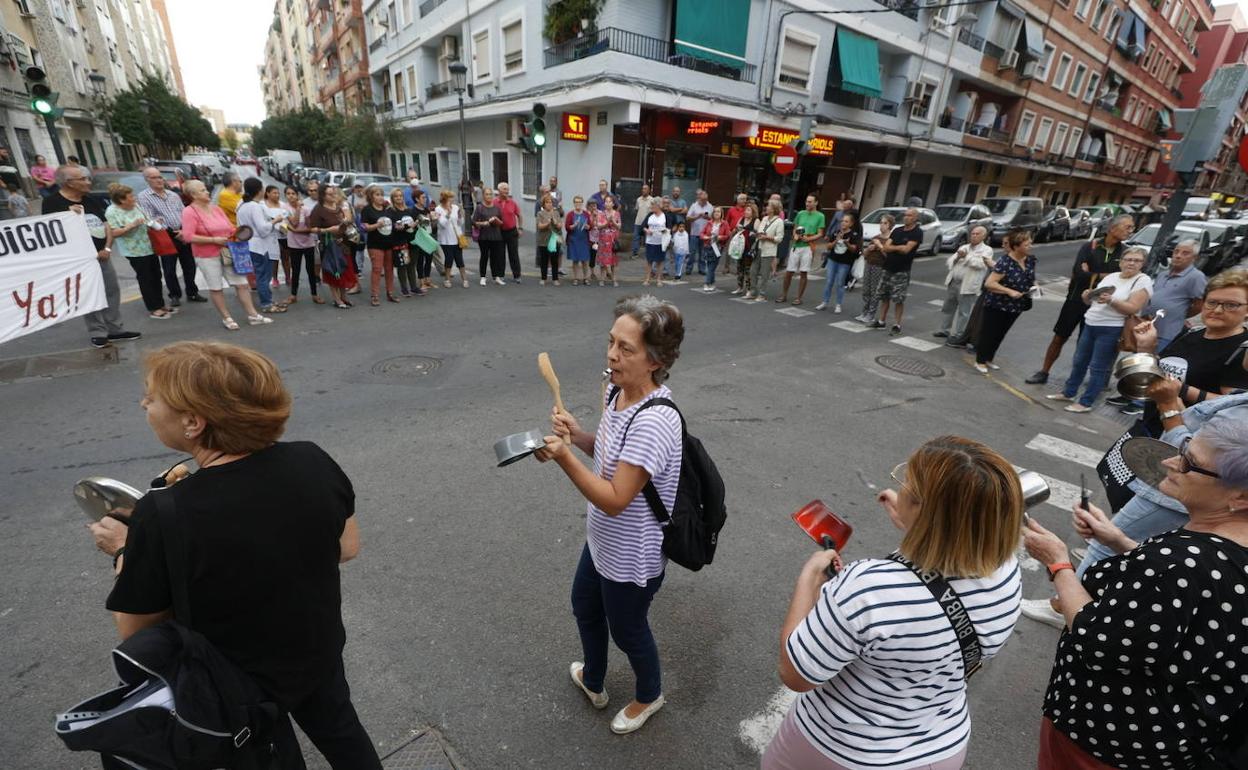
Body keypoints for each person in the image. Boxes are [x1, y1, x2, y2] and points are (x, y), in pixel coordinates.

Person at [88, 341, 383, 770]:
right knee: (343, 734)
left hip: (235, 685)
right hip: (314, 651)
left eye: (151, 397)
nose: (144, 404)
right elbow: (346, 547)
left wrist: (123, 550)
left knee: (270, 756)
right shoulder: (312, 460)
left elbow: (136, 630)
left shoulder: (166, 511)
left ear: (192, 422)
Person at [763, 436, 1023, 770]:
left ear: (926, 513)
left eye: (907, 487)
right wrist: (915, 525)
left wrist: (809, 579)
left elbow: (796, 673)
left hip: (845, 751)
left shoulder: (869, 588)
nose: (899, 490)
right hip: (942, 747)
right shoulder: (1005, 569)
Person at [1021, 416, 1248, 770]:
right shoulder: (1215, 554)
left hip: (1109, 743)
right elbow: (1185, 597)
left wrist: (1058, 564)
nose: (1171, 462)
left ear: (1241, 497)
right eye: (1183, 450)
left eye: (1191, 464)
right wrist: (1120, 542)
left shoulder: (1179, 562)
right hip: (1178, 743)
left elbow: (1096, 640)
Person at [532, 294, 686, 736]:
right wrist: (579, 436)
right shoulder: (617, 390)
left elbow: (618, 497)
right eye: (611, 341)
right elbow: (611, 452)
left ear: (656, 360)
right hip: (601, 543)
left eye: (626, 348)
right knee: (584, 607)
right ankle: (594, 680)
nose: (612, 354)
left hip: (632, 557)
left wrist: (564, 458)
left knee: (629, 630)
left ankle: (649, 694)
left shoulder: (656, 421)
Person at [1025, 214, 1133, 384]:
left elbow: (1122, 279)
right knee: (1059, 337)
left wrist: (1093, 274)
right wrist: (1106, 276)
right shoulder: (1090, 246)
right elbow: (1079, 273)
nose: (1130, 231)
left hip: (1100, 306)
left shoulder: (1125, 252)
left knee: (1085, 345)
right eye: (1127, 227)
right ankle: (1044, 372)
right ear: (1113, 228)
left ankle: (1074, 379)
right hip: (1075, 300)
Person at [42, 164, 141, 348]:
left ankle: (115, 330)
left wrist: (107, 249)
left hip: (102, 255)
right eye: (83, 179)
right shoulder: (52, 202)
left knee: (111, 291)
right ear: (68, 183)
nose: (88, 182)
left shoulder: (90, 200)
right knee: (90, 294)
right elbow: (51, 233)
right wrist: (68, 216)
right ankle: (98, 332)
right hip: (79, 260)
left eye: (87, 178)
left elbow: (106, 226)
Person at [1046, 246, 1152, 412]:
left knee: (1098, 367)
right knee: (1079, 361)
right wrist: (1087, 296)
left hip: (1112, 328)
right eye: (1128, 259)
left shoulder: (1143, 280)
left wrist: (1111, 301)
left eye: (1137, 260)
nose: (1131, 263)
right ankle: (1069, 392)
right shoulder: (1112, 277)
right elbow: (1092, 302)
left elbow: (1133, 308)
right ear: (1121, 261)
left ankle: (1086, 402)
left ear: (1143, 264)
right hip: (1091, 322)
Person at [181, 180, 271, 329]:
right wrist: (213, 240)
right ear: (193, 195)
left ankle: (253, 315)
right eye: (203, 190)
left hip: (229, 251)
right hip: (207, 255)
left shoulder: (216, 209)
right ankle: (227, 318)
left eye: (205, 189)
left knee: (242, 284)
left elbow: (230, 228)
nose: (207, 192)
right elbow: (188, 236)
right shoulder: (189, 212)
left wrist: (239, 234)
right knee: (216, 287)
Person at [105, 183, 175, 321]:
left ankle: (160, 304)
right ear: (122, 200)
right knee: (145, 278)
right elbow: (113, 232)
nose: (134, 198)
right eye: (131, 196)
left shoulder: (136, 206)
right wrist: (131, 225)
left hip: (148, 245)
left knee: (156, 275)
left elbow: (146, 219)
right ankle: (153, 307)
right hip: (134, 250)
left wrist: (154, 222)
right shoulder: (112, 211)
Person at [973, 229, 1036, 374]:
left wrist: (1035, 286)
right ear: (1016, 246)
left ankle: (989, 358)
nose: (1030, 246)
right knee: (990, 333)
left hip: (1017, 305)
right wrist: (1009, 291)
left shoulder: (1030, 260)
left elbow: (1031, 277)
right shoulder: (1005, 262)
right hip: (997, 304)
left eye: (1030, 244)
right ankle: (980, 361)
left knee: (1001, 333)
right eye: (1027, 244)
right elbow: (990, 283)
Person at [139, 169, 200, 312]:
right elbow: (149, 218)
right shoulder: (144, 197)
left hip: (181, 231)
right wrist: (167, 229)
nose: (159, 180)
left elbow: (183, 212)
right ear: (147, 180)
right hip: (164, 234)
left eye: (160, 177)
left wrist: (184, 230)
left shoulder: (173, 195)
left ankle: (192, 291)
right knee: (169, 267)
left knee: (189, 264)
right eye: (154, 178)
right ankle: (174, 294)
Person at [236, 178, 287, 314]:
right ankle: (266, 303)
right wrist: (276, 220)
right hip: (260, 246)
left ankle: (268, 299)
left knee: (260, 275)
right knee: (264, 276)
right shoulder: (255, 206)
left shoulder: (241, 205)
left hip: (250, 244)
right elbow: (263, 229)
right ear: (259, 190)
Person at [936, 225, 994, 343]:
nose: (974, 236)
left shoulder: (987, 250)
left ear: (984, 236)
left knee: (964, 311)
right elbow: (949, 261)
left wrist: (966, 257)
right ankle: (944, 329)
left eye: (977, 234)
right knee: (948, 307)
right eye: (972, 233)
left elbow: (980, 265)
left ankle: (959, 334)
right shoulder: (964, 247)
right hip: (954, 282)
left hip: (968, 285)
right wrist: (957, 257)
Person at [870, 207, 923, 335]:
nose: (906, 217)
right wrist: (898, 247)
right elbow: (886, 247)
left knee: (898, 298)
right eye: (905, 215)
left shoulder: (917, 232)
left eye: (909, 215)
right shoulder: (898, 230)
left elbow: (907, 250)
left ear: (915, 218)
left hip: (902, 270)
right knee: (884, 295)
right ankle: (881, 321)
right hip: (888, 267)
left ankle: (897, 324)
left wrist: (894, 247)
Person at [305, 185, 358, 309]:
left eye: (334, 193)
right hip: (329, 245)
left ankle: (344, 296)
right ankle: (336, 298)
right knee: (333, 270)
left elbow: (346, 221)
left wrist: (346, 221)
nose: (333, 196)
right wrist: (328, 230)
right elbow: (312, 229)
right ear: (323, 196)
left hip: (343, 243)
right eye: (330, 194)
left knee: (344, 269)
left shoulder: (338, 207)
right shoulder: (318, 209)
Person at [777, 195, 825, 306]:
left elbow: (820, 233)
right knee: (789, 272)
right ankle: (784, 295)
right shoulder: (800, 213)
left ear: (816, 203)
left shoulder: (820, 216)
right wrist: (795, 236)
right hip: (796, 245)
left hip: (808, 246)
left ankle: (799, 297)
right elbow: (795, 227)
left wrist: (809, 238)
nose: (807, 204)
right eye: (806, 201)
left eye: (810, 202)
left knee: (804, 272)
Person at [359, 184, 399, 305]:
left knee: (389, 269)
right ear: (371, 197)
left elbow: (393, 224)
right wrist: (377, 225)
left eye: (381, 194)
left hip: (389, 243)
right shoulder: (367, 210)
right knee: (377, 269)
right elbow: (364, 227)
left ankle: (390, 293)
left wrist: (397, 226)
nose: (380, 197)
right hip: (375, 244)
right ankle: (374, 295)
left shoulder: (388, 209)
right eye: (377, 195)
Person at [285, 180, 322, 304]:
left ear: (297, 195)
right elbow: (294, 222)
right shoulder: (285, 209)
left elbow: (309, 228)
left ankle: (314, 294)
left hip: (308, 243)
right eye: (288, 194)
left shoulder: (306, 209)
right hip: (294, 244)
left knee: (310, 270)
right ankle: (293, 295)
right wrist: (298, 210)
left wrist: (297, 230)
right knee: (295, 270)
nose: (291, 196)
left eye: (293, 194)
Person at [817, 209, 861, 313]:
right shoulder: (836, 232)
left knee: (840, 283)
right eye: (842, 221)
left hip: (844, 262)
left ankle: (838, 304)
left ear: (851, 223)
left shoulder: (853, 235)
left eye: (846, 221)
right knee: (829, 281)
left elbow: (854, 249)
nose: (843, 223)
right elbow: (828, 246)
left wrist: (847, 243)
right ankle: (824, 302)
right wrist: (836, 241)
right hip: (833, 259)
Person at [856, 213, 892, 324]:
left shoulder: (890, 239)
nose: (882, 225)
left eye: (885, 223)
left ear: (890, 225)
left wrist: (880, 247)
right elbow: (865, 253)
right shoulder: (876, 237)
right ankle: (864, 311)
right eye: (881, 223)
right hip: (869, 263)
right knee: (866, 289)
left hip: (879, 266)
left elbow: (888, 255)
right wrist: (870, 248)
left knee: (874, 290)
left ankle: (871, 314)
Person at [432, 189, 469, 289]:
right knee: (449, 259)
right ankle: (447, 279)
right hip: (446, 239)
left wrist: (461, 216)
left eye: (452, 198)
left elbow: (460, 223)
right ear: (444, 199)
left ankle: (464, 279)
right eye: (450, 198)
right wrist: (448, 214)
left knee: (459, 259)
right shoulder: (438, 209)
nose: (452, 200)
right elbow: (442, 225)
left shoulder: (455, 207)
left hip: (457, 237)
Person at [390, 187, 420, 297]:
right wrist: (405, 226)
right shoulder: (391, 211)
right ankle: (404, 288)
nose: (399, 198)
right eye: (396, 196)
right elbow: (393, 226)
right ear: (392, 198)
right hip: (400, 242)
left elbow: (416, 222)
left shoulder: (409, 210)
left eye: (400, 196)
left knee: (412, 265)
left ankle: (414, 287)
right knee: (402, 265)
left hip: (412, 241)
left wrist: (418, 222)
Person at [750, 201, 784, 302]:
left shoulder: (779, 221)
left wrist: (767, 237)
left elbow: (779, 238)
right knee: (753, 270)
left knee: (764, 274)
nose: (766, 207)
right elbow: (760, 230)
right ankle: (753, 291)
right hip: (759, 247)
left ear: (774, 209)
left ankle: (762, 294)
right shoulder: (764, 219)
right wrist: (757, 234)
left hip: (769, 250)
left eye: (769, 206)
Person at [473, 187, 506, 287]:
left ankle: (496, 277)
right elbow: (474, 222)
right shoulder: (479, 208)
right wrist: (483, 223)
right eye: (487, 194)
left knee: (495, 257)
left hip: (496, 235)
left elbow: (501, 222)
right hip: (484, 236)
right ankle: (483, 277)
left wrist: (496, 220)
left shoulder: (497, 208)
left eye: (490, 194)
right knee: (484, 256)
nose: (489, 196)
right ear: (483, 196)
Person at [497, 181, 524, 283]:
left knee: (513, 254)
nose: (507, 191)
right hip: (499, 232)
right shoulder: (495, 202)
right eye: (504, 189)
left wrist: (520, 228)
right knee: (500, 254)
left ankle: (517, 275)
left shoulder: (512, 203)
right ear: (499, 190)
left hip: (512, 232)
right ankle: (500, 275)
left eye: (507, 189)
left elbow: (519, 215)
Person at [699, 209, 730, 293]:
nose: (717, 213)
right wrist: (705, 237)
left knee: (712, 265)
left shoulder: (725, 223)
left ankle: (707, 283)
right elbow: (701, 233)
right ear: (713, 213)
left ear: (721, 214)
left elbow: (727, 235)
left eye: (718, 212)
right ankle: (712, 283)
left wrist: (720, 237)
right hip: (708, 245)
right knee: (709, 264)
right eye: (715, 211)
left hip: (718, 246)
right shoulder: (709, 222)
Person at [564, 196, 593, 286]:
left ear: (582, 203)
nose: (578, 204)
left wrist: (588, 227)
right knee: (575, 260)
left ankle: (586, 278)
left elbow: (590, 226)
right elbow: (567, 227)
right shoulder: (570, 214)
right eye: (576, 202)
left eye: (580, 202)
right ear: (574, 203)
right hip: (574, 240)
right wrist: (573, 226)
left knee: (585, 260)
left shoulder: (586, 214)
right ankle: (575, 278)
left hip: (584, 240)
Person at [536, 193, 563, 286]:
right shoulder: (540, 213)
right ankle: (543, 278)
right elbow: (539, 226)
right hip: (543, 240)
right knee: (544, 260)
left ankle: (555, 279)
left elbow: (560, 226)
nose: (549, 204)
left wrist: (555, 223)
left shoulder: (556, 213)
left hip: (555, 240)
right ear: (543, 204)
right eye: (547, 202)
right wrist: (547, 224)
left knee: (554, 260)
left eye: (550, 202)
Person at [732, 202, 759, 296]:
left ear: (753, 212)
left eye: (748, 210)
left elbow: (757, 234)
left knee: (748, 269)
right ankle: (739, 287)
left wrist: (751, 232)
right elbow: (735, 230)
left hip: (749, 247)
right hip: (740, 247)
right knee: (739, 268)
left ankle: (749, 289)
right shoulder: (741, 219)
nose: (746, 212)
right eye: (746, 210)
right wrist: (737, 229)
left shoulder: (756, 220)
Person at [685, 189, 713, 278]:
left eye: (706, 199)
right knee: (692, 252)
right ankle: (689, 268)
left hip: (705, 234)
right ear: (699, 198)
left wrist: (707, 217)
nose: (704, 201)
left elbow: (713, 219)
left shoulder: (710, 206)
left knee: (703, 253)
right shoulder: (694, 206)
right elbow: (688, 218)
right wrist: (698, 216)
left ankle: (702, 269)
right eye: (702, 199)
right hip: (694, 233)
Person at [596, 195, 621, 287]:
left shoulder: (617, 213)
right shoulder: (601, 213)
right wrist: (607, 222)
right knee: (603, 261)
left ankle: (614, 279)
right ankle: (602, 279)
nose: (608, 203)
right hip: (603, 240)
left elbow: (619, 226)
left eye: (610, 201)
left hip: (613, 241)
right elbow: (598, 226)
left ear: (613, 203)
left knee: (613, 261)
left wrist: (613, 221)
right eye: (606, 202)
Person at [642, 200, 667, 287]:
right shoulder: (650, 215)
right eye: (651, 205)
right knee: (649, 261)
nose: (651, 207)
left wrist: (665, 231)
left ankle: (659, 279)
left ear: (658, 206)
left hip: (660, 242)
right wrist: (647, 230)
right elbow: (643, 226)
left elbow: (670, 228)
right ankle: (647, 279)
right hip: (650, 241)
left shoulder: (664, 216)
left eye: (653, 205)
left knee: (659, 261)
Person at [665, 188, 688, 279]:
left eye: (678, 191)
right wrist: (681, 209)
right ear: (672, 192)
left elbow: (686, 211)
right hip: (672, 227)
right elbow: (671, 210)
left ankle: (677, 270)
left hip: (681, 228)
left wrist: (676, 209)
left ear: (680, 192)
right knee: (670, 248)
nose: (676, 192)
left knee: (679, 249)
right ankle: (667, 269)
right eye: (674, 191)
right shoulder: (669, 201)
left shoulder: (683, 201)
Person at [632, 184, 657, 259]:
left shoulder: (652, 200)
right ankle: (635, 253)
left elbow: (653, 211)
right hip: (638, 222)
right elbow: (636, 209)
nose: (643, 190)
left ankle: (648, 253)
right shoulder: (638, 199)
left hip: (648, 223)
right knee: (636, 237)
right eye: (643, 189)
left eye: (645, 189)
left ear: (649, 190)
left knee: (648, 239)